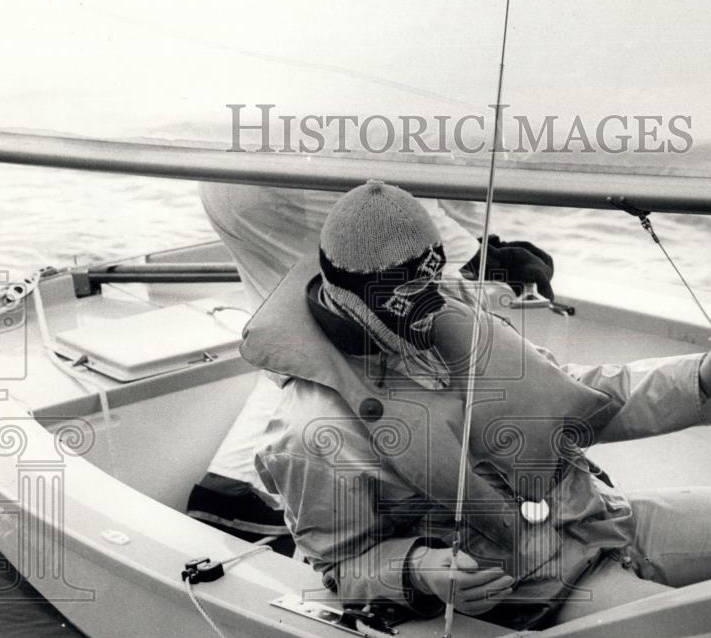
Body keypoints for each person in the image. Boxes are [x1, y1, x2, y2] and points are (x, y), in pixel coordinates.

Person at [242, 180, 711, 628]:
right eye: (410, 287)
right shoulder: (309, 429)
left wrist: (699, 378)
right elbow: (342, 567)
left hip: (606, 522)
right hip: (535, 586)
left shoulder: (449, 315)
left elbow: (575, 398)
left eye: (435, 278)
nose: (432, 300)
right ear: (351, 290)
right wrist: (421, 569)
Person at [187, 182, 556, 538]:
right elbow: (407, 196)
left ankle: (232, 483)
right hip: (314, 178)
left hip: (230, 177)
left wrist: (481, 250)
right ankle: (284, 498)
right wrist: (482, 257)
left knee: (294, 327)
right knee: (355, 334)